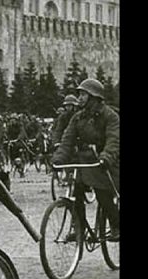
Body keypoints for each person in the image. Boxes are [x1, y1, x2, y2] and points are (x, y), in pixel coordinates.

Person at [52, 78, 120, 241]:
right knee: (76, 191)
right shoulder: (78, 117)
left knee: (102, 192)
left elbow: (114, 140)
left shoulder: (110, 116)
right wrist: (58, 159)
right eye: (80, 94)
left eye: (84, 94)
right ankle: (79, 227)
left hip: (106, 161)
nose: (80, 98)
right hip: (84, 161)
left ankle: (116, 225)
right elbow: (67, 140)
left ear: (94, 97)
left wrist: (106, 157)